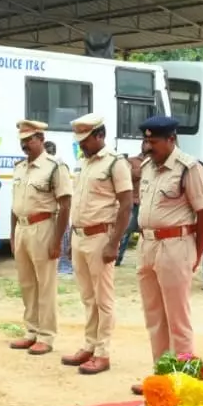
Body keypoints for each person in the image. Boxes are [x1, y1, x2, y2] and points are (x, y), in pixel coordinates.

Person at [131, 116, 203, 394]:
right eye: (146, 140)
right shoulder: (148, 168)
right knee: (154, 316)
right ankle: (162, 376)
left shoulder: (189, 168)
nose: (147, 146)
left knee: (177, 317)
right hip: (148, 245)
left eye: (153, 142)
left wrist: (197, 253)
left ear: (171, 140)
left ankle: (184, 379)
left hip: (176, 245)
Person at [61, 113, 134, 376]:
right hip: (80, 236)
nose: (81, 144)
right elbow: (78, 203)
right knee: (87, 297)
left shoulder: (115, 164)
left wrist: (114, 243)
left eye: (86, 139)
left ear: (100, 135)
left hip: (101, 236)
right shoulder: (85, 162)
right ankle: (89, 345)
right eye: (79, 139)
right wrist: (71, 238)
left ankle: (103, 352)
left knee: (103, 299)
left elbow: (126, 204)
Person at [9, 119, 72, 355]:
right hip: (22, 229)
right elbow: (14, 205)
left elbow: (65, 205)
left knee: (45, 285)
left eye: (30, 140)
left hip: (43, 227)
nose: (25, 145)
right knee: (27, 284)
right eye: (22, 141)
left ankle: (46, 335)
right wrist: (13, 236)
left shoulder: (55, 167)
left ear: (41, 140)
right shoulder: (19, 167)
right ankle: (31, 331)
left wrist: (57, 241)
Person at [45, 140, 75, 277]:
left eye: (50, 151)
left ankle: (65, 267)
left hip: (59, 208)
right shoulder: (43, 166)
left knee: (63, 237)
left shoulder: (60, 166)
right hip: (49, 210)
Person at [115, 153, 146, 266]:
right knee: (125, 230)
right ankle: (117, 257)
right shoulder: (132, 161)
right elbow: (127, 175)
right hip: (133, 201)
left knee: (147, 233)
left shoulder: (156, 162)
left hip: (147, 203)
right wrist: (141, 171)